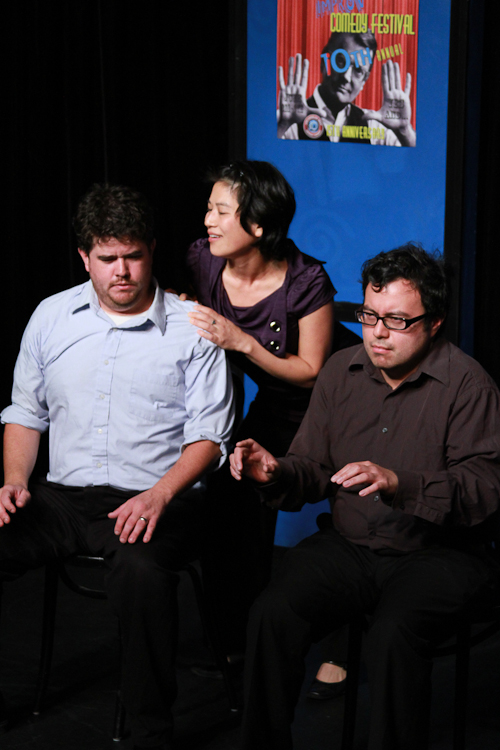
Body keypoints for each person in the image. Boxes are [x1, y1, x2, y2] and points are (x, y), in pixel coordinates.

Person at [230, 243, 500, 750]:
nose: (376, 332)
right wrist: (276, 472)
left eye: (396, 321)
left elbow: (485, 489)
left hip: (437, 553)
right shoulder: (340, 371)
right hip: (350, 547)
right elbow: (312, 468)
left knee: (392, 635)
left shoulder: (467, 385)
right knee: (272, 613)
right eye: (369, 315)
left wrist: (402, 484)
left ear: (434, 322)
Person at [0, 184, 234, 750]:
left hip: (157, 496)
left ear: (152, 251)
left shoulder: (192, 325)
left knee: (141, 572)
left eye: (133, 256)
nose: (122, 272)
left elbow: (211, 436)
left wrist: (159, 496)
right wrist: (12, 481)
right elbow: (26, 414)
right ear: (85, 258)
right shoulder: (50, 317)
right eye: (108, 259)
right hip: (61, 496)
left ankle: (151, 730)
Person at [185, 160, 338, 665]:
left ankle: (341, 644)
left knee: (352, 514)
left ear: (257, 225)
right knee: (229, 496)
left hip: (336, 403)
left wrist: (241, 342)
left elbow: (313, 371)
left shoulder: (306, 279)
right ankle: (234, 640)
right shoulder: (205, 262)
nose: (208, 220)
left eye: (221, 211)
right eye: (209, 207)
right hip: (275, 403)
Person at [278, 30, 416, 146]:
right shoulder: (287, 120)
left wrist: (404, 130)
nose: (346, 77)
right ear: (324, 62)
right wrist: (283, 125)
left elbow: (422, 164)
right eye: (340, 61)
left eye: (358, 70)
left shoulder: (374, 127)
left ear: (364, 80)